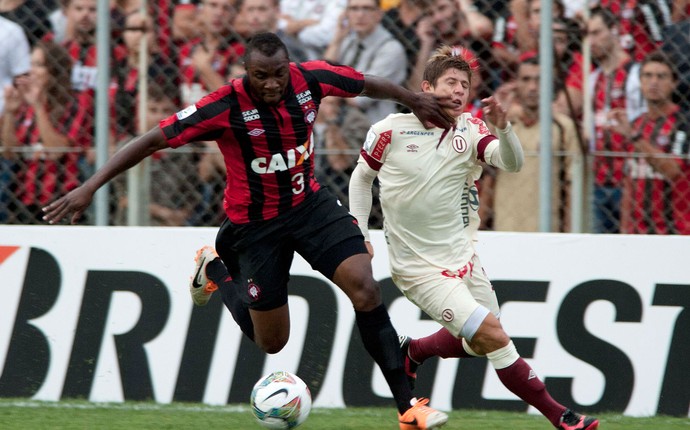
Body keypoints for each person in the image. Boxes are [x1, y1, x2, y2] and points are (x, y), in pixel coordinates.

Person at [43, 32, 457, 430]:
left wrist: (413, 100)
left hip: (309, 206)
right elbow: (152, 140)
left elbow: (367, 83)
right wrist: (89, 187)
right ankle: (216, 271)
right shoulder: (222, 106)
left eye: (278, 72)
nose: (273, 83)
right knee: (272, 342)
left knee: (365, 287)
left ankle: (408, 409)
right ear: (245, 72)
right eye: (262, 76)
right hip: (255, 229)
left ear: (287, 66)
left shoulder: (309, 78)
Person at [347, 45, 599, 430]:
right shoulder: (389, 130)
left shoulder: (471, 129)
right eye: (451, 82)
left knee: (480, 340)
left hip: (465, 259)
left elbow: (512, 163)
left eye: (465, 84)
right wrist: (360, 232)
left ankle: (413, 352)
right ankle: (561, 416)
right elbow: (361, 179)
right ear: (426, 87)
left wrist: (503, 127)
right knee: (494, 337)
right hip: (419, 269)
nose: (459, 90)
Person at [559, 7, 645, 233]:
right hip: (597, 179)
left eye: (597, 33)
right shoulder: (593, 77)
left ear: (614, 31)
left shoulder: (636, 74)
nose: (591, 40)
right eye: (587, 35)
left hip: (630, 181)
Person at [484, 55, 579, 232]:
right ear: (516, 84)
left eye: (540, 80)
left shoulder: (564, 127)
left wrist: (570, 231)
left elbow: (573, 184)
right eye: (526, 79)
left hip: (548, 232)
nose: (533, 87)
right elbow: (484, 168)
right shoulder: (504, 126)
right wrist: (494, 123)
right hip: (505, 229)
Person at [2, 40, 89, 224]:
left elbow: (56, 151)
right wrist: (10, 112)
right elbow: (10, 151)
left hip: (60, 197)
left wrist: (38, 106)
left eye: (39, 65)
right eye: (31, 64)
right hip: (23, 198)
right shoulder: (25, 104)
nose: (31, 71)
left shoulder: (73, 104)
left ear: (54, 70)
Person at [607, 51, 690, 234]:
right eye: (648, 76)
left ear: (674, 83)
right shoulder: (638, 124)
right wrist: (625, 230)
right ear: (640, 82)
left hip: (674, 231)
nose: (654, 82)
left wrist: (635, 137)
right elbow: (629, 182)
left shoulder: (683, 122)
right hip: (638, 232)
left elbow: (673, 171)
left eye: (661, 76)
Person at [177, 0, 244, 106]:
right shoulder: (187, 49)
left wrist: (205, 68)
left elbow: (235, 101)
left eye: (226, 8)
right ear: (201, 8)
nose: (219, 13)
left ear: (234, 14)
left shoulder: (239, 50)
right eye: (213, 5)